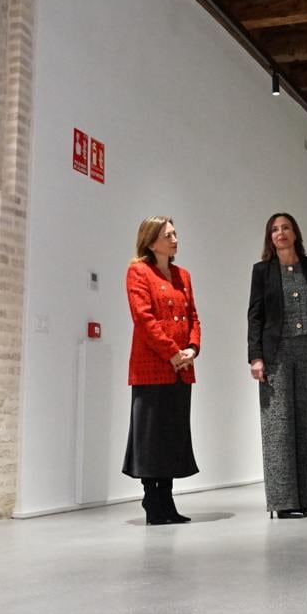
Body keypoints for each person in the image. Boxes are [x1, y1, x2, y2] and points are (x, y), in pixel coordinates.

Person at [247, 213, 307, 519]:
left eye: (285, 227)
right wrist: (255, 356)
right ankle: (283, 501)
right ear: (269, 237)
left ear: (295, 233)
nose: (280, 233)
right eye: (274, 229)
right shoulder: (262, 271)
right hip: (276, 352)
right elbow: (255, 316)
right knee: (278, 425)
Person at [122, 216, 200, 525]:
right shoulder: (138, 272)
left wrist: (192, 348)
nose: (175, 239)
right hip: (153, 367)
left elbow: (193, 315)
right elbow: (144, 318)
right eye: (168, 235)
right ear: (151, 240)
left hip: (181, 368)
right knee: (151, 437)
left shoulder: (183, 275)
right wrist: (171, 353)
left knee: (172, 436)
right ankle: (152, 500)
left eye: (175, 234)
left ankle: (166, 499)